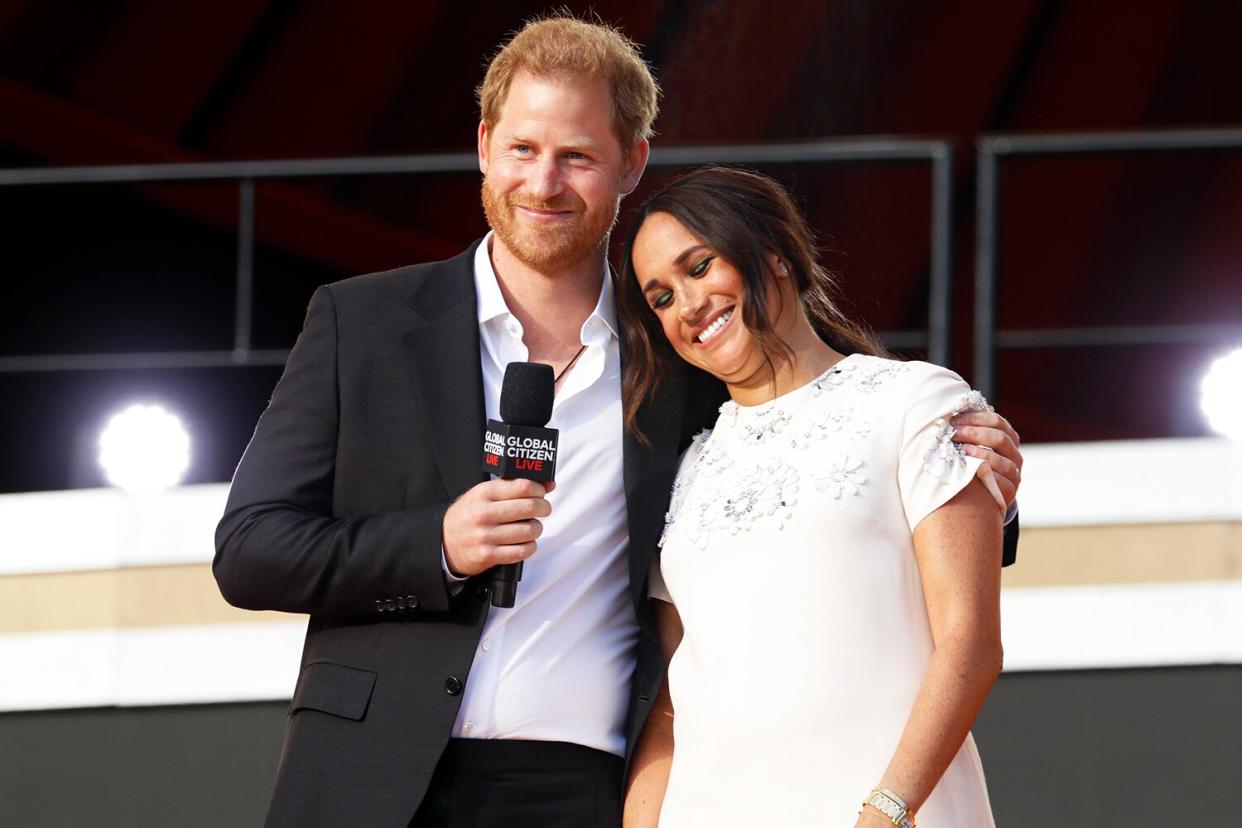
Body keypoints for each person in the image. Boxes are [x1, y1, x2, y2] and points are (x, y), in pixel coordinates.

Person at [214, 14, 1024, 828]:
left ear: (630, 163)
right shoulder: (363, 322)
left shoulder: (681, 354)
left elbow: (811, 451)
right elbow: (250, 552)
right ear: (486, 144)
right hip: (371, 777)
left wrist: (977, 479)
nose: (544, 183)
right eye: (524, 149)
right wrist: (436, 545)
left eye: (577, 156)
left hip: (583, 793)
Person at [618, 167, 1009, 827]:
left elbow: (969, 643)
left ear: (774, 254)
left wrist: (888, 811)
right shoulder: (686, 468)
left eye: (700, 266)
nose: (686, 304)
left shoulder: (914, 402)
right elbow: (672, 707)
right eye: (660, 297)